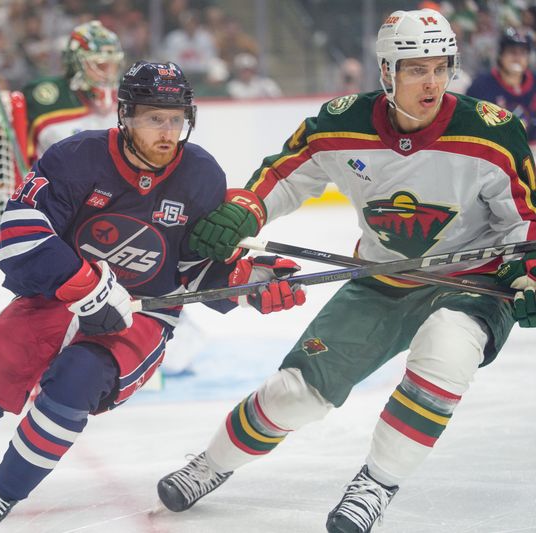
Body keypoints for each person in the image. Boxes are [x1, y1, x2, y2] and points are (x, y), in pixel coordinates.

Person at [0, 61, 306, 533]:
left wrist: (249, 282)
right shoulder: (76, 158)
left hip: (139, 315)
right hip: (57, 297)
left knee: (75, 382)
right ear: (126, 116)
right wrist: (89, 289)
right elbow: (18, 235)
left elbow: (194, 267)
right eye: (153, 118)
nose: (167, 132)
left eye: (176, 119)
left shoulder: (200, 174)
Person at [155, 8, 536, 533]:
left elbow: (526, 219)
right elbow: (285, 176)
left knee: (444, 354)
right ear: (387, 73)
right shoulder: (342, 122)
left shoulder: (492, 133)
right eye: (415, 68)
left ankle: (376, 483)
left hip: (472, 281)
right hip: (380, 277)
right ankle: (212, 464)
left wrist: (529, 270)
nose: (432, 82)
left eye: (440, 67)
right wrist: (247, 208)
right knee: (294, 393)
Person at [19, 19, 125, 164]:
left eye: (114, 65)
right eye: (101, 65)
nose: (109, 73)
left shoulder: (125, 100)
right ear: (76, 62)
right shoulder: (47, 98)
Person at [466, 27, 536, 141]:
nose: (517, 58)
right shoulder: (480, 85)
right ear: (500, 55)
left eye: (522, 53)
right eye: (512, 52)